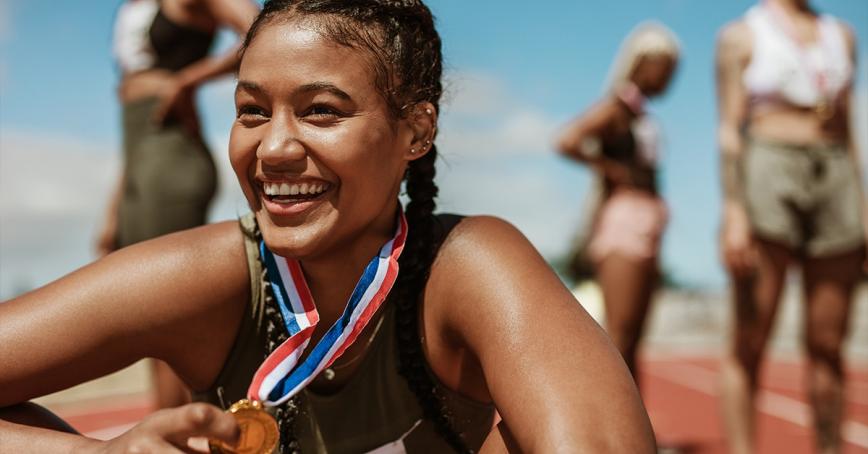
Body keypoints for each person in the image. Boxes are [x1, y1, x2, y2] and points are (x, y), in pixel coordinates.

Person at [0, 1, 656, 453]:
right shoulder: (209, 278)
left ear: (416, 130)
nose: (274, 148)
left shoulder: (465, 265)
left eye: (320, 111)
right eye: (252, 111)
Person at [716, 0, 866, 452]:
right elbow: (729, 130)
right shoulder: (741, 35)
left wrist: (862, 210)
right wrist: (735, 211)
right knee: (750, 340)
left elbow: (850, 128)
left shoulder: (842, 35)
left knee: (828, 342)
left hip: (834, 174)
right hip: (768, 169)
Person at [96, 0, 260, 409]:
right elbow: (136, 145)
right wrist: (114, 210)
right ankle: (172, 428)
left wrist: (188, 80)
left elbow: (259, 30)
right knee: (145, 316)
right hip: (139, 158)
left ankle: (180, 431)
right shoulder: (131, 9)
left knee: (167, 314)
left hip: (172, 155)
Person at [556, 22, 680, 380]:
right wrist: (609, 169)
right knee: (620, 334)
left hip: (649, 219)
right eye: (664, 69)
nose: (669, 79)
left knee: (634, 338)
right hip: (625, 220)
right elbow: (567, 139)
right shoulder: (616, 107)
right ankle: (607, 412)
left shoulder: (642, 115)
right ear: (641, 62)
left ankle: (634, 414)